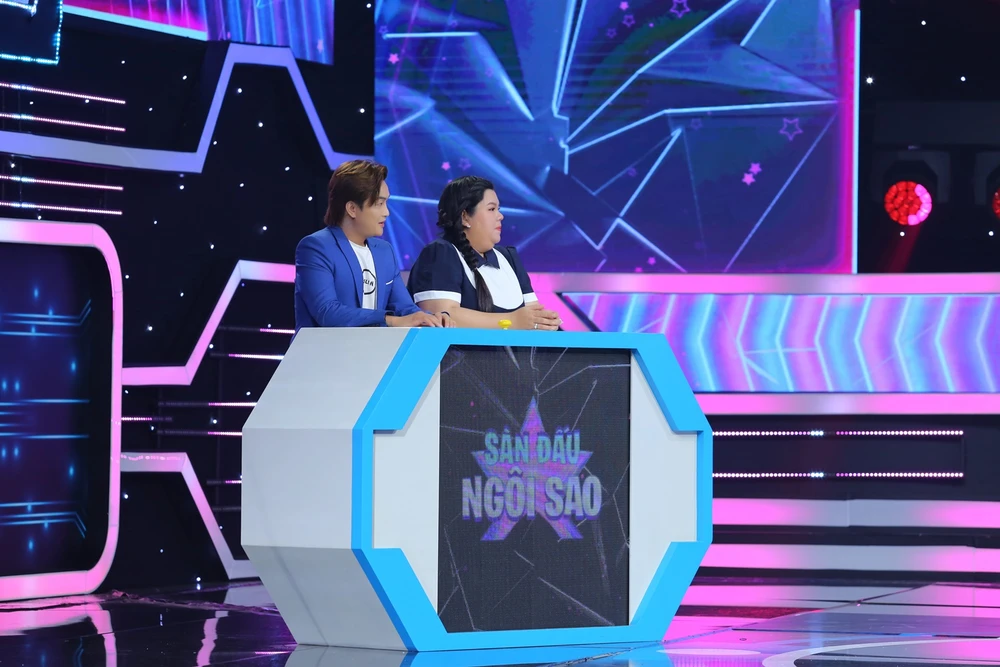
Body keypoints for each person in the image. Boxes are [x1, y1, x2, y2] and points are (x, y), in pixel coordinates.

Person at [294, 160, 450, 330]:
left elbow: (405, 309)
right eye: (379, 204)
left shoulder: (384, 251)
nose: (386, 212)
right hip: (326, 347)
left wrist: (431, 318)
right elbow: (327, 312)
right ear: (352, 208)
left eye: (386, 203)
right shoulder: (316, 247)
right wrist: (390, 320)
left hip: (373, 346)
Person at [406, 176, 562, 330]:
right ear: (465, 217)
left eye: (498, 209)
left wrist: (545, 323)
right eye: (491, 209)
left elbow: (532, 317)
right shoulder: (441, 253)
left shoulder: (509, 258)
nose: (500, 216)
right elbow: (442, 317)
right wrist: (511, 321)